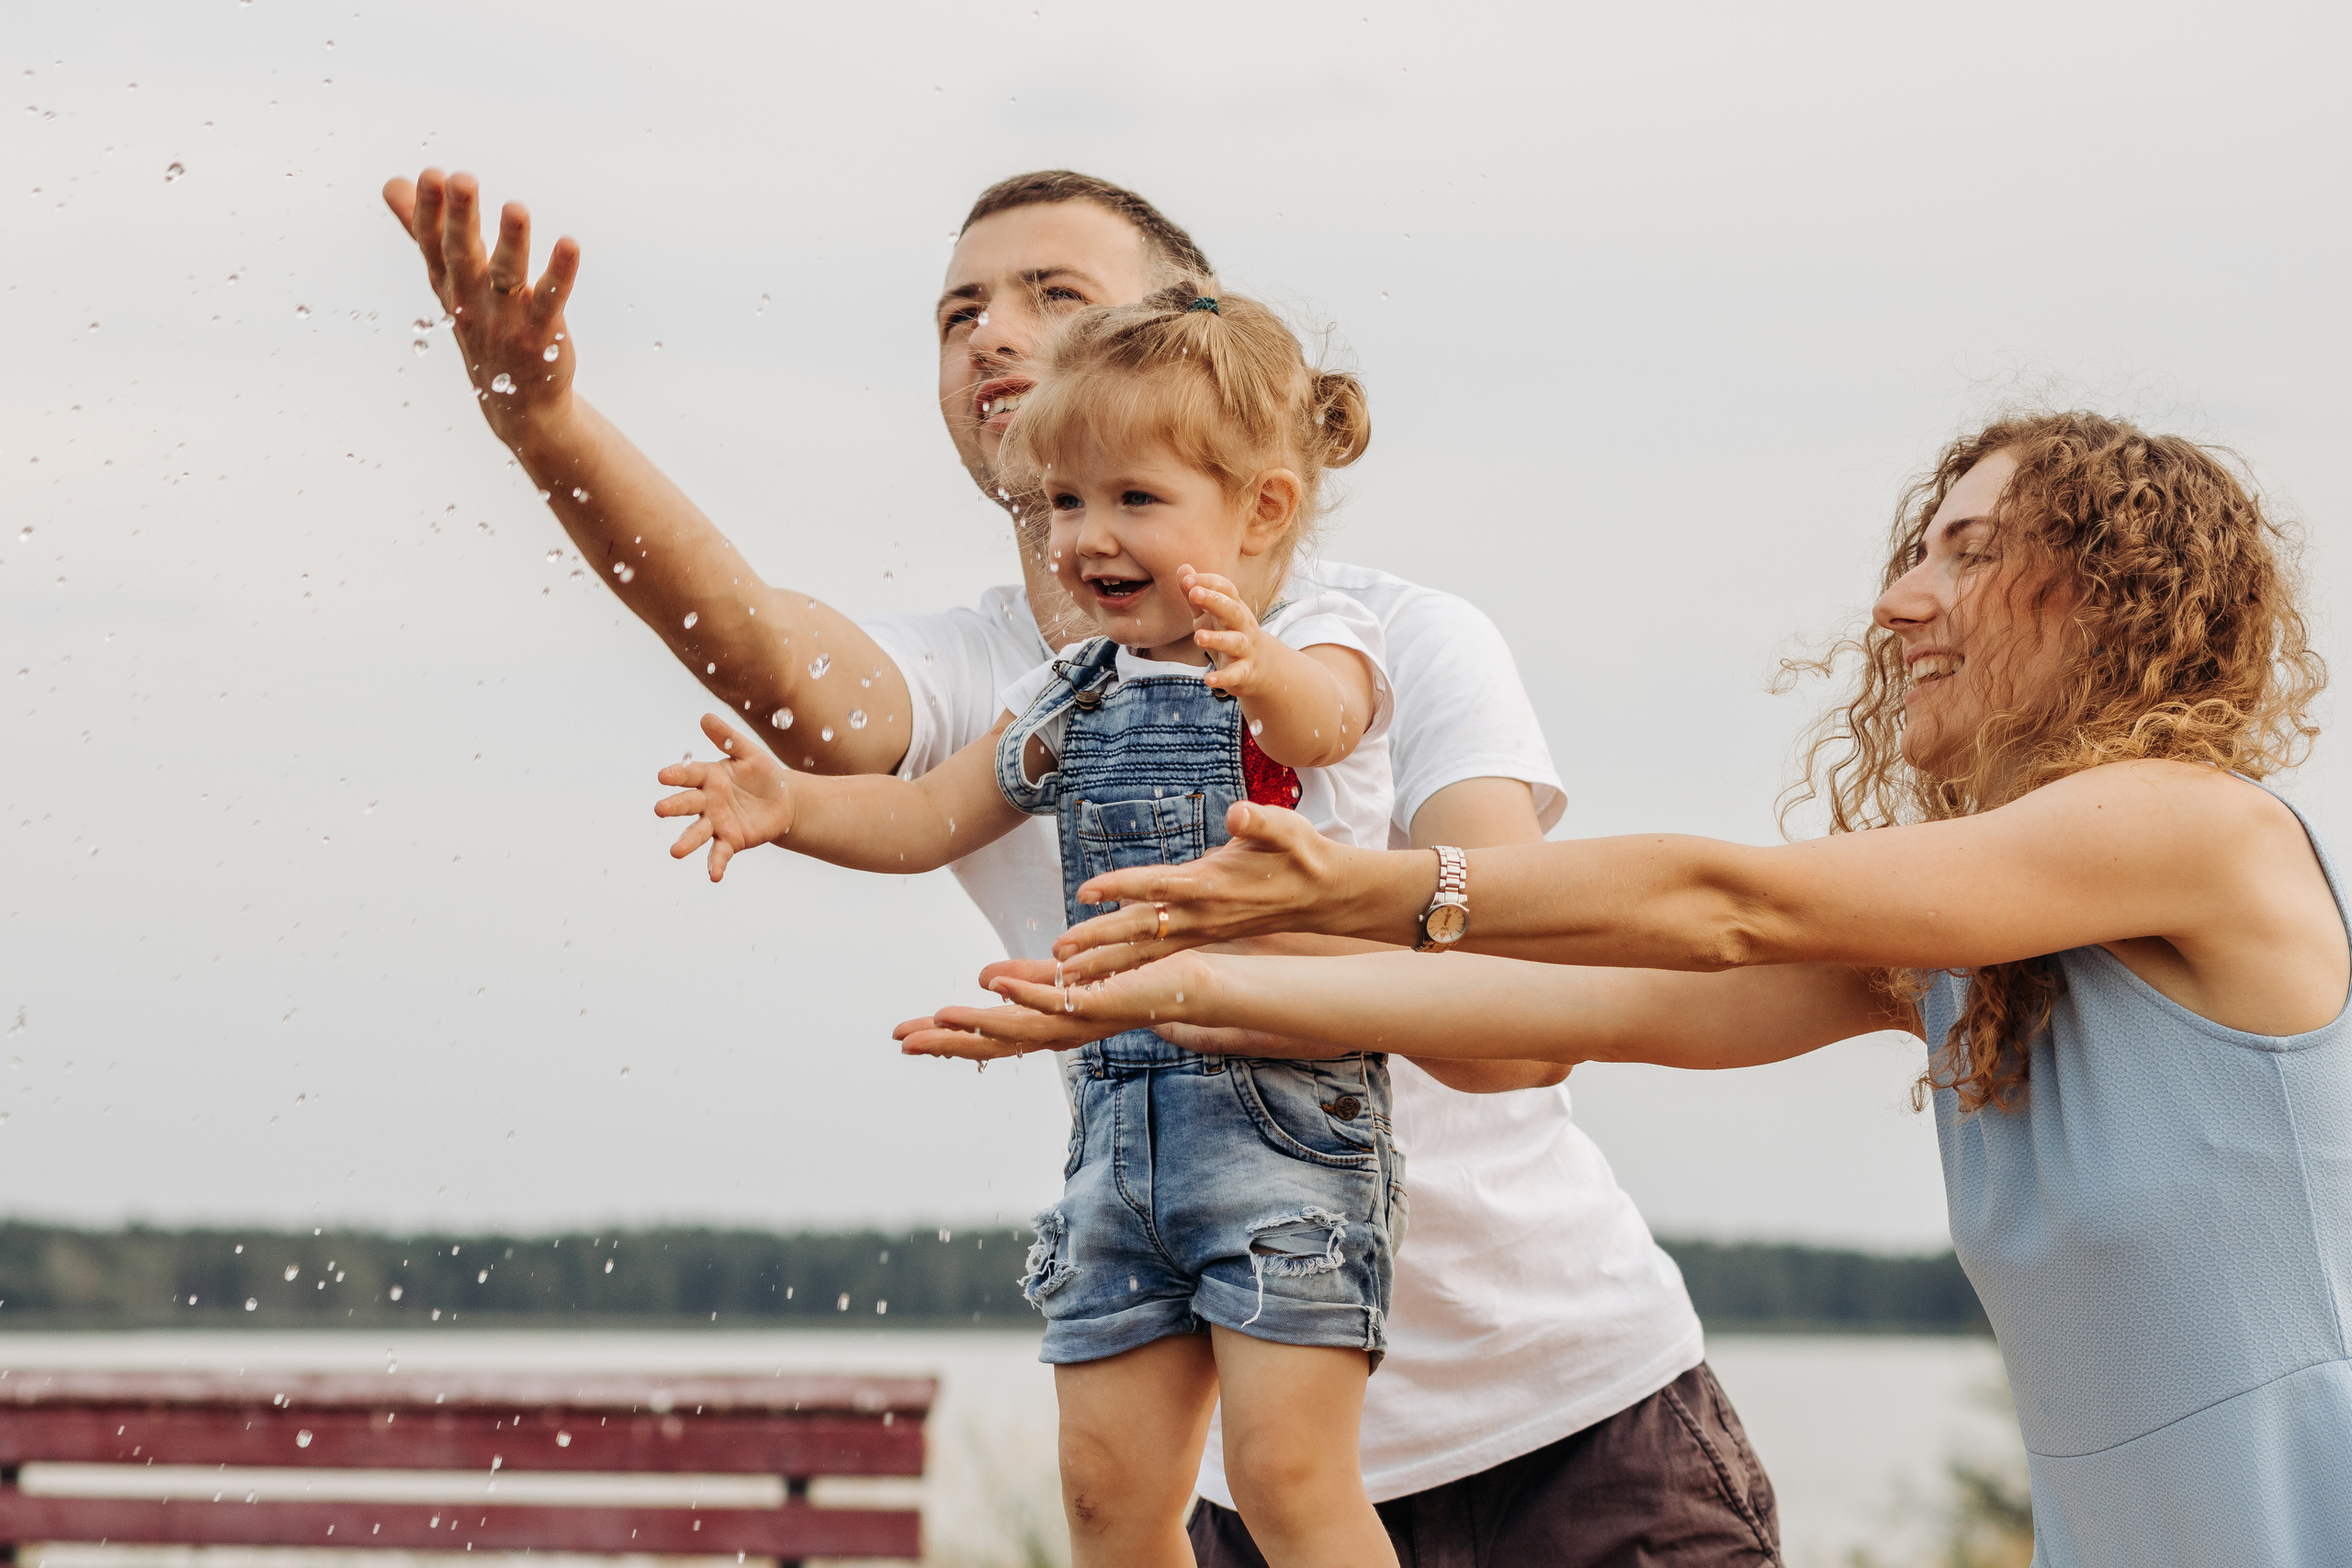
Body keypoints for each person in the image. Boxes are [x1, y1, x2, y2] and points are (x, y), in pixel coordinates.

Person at [381, 165, 1782, 1566]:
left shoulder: (1389, 638)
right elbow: (774, 658)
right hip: (1221, 1427)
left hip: (1575, 1426)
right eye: (958, 311)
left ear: (1200, 354)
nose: (992, 330)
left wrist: (1215, 960)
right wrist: (546, 421)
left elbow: (1513, 1024)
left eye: (1055, 295)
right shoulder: (1016, 678)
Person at [910, 413, 2352, 1568]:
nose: (1902, 597)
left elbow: (1730, 906)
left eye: (1970, 552)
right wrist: (1185, 989)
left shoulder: (2204, 832)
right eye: (1917, 548)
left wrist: (1369, 886)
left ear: (2112, 596)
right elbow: (1583, 1010)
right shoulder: (1975, 963)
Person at [659, 284, 1408, 1566]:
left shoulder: (1319, 640)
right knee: (1110, 1500)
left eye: (1133, 500)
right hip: (1118, 1135)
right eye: (1065, 503)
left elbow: (1322, 726)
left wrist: (1251, 658)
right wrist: (791, 806)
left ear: (1265, 509)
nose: (1087, 537)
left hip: (1285, 1126)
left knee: (1287, 1476)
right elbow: (934, 816)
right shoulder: (1070, 689)